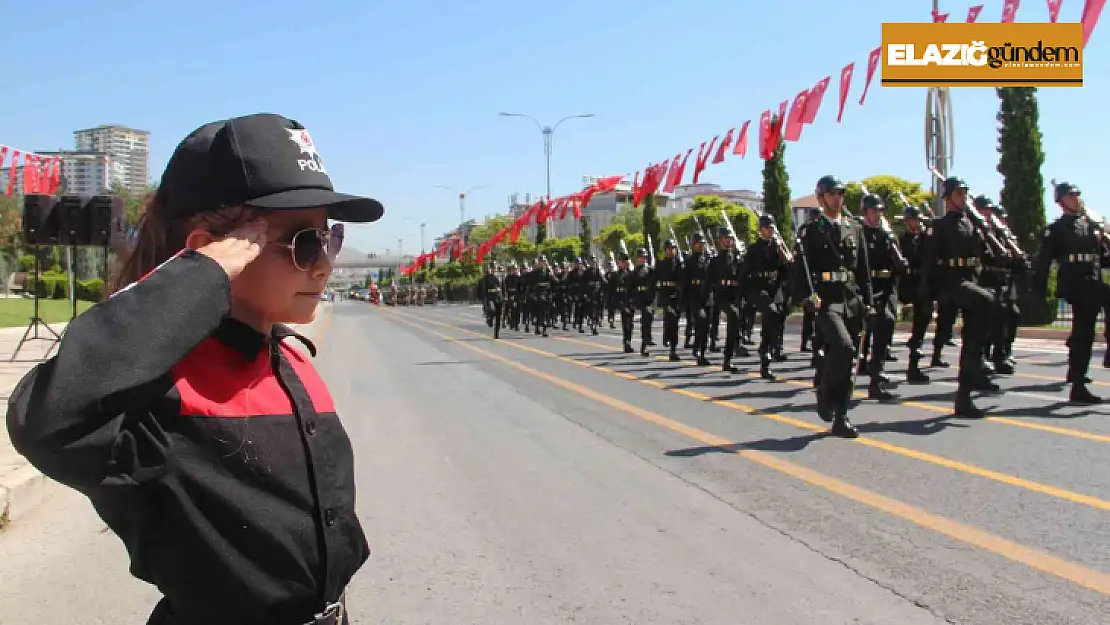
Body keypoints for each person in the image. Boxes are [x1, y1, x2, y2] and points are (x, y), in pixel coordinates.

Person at [7, 113, 376, 625]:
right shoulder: (163, 387)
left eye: (328, 240)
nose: (324, 264)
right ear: (214, 252)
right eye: (303, 243)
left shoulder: (287, 357)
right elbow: (48, 420)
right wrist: (197, 278)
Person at [792, 174, 869, 437]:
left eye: (840, 193)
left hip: (851, 298)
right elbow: (800, 270)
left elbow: (863, 270)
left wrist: (867, 301)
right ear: (822, 197)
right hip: (826, 300)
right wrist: (806, 297)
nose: (838, 198)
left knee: (850, 359)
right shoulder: (811, 231)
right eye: (832, 194)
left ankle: (841, 415)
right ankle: (825, 391)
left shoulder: (854, 228)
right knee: (843, 346)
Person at [918, 176, 999, 417]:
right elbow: (929, 262)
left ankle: (965, 396)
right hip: (951, 284)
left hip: (969, 283)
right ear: (948, 198)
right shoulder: (939, 225)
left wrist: (1010, 261)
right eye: (958, 194)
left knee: (972, 343)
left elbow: (986, 255)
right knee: (987, 300)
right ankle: (979, 365)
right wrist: (925, 293)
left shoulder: (972, 225)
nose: (963, 198)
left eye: (965, 193)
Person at [1031, 181, 1108, 403]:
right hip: (1076, 283)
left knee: (1084, 331)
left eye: (1077, 195)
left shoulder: (1091, 225)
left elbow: (1102, 257)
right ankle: (1078, 384)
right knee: (1084, 331)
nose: (1076, 198)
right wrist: (1039, 290)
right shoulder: (1056, 229)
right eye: (1071, 195)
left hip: (1093, 280)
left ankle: (1078, 373)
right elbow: (1044, 261)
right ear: (1061, 201)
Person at [738, 215, 791, 379]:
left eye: (772, 227)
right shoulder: (753, 249)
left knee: (775, 318)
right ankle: (766, 350)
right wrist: (741, 296)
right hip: (757, 288)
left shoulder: (778, 247)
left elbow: (784, 272)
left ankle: (765, 354)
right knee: (771, 312)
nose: (771, 230)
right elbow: (744, 273)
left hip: (773, 289)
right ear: (761, 230)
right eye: (767, 227)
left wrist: (787, 260)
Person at [654, 240, 684, 361]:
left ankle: (673, 349)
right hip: (665, 293)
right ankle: (667, 334)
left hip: (676, 294)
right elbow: (654, 279)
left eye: (673, 248)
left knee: (674, 322)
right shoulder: (660, 264)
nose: (671, 251)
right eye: (669, 249)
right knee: (670, 315)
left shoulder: (679, 263)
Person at [479, 261, 504, 338]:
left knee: (498, 316)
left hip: (498, 297)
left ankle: (496, 334)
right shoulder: (486, 278)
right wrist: (484, 299)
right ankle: (489, 319)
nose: (494, 269)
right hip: (490, 297)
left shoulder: (500, 277)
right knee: (492, 310)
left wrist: (504, 297)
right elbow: (484, 289)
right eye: (492, 268)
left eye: (495, 268)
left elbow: (503, 288)